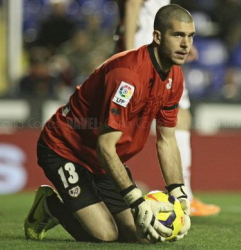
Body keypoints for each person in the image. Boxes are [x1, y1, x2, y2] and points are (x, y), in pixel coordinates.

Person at [24, 4, 194, 243]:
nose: (186, 44)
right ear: (157, 36)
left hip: (102, 159)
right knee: (106, 235)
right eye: (177, 35)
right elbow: (105, 145)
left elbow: (166, 140)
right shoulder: (127, 77)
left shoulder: (174, 76)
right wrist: (135, 197)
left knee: (139, 235)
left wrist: (179, 193)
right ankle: (51, 206)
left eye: (190, 36)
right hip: (65, 148)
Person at [115, 0, 220, 217]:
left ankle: (95, 182)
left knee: (126, 122)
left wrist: (181, 42)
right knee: (176, 116)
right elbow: (133, 6)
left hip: (145, 45)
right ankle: (185, 196)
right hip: (148, 50)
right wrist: (129, 56)